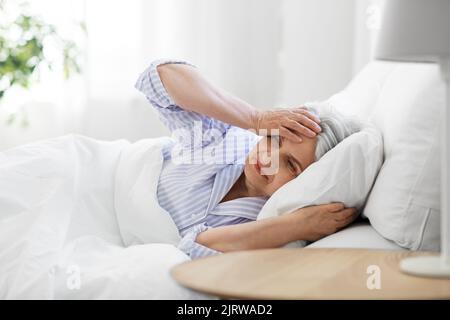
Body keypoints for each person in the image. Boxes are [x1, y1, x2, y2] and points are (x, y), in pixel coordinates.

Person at [135, 59, 360, 259]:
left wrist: (299, 226)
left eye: (291, 165)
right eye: (274, 140)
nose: (268, 157)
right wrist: (255, 117)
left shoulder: (267, 221)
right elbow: (160, 75)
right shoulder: (224, 138)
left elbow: (194, 249)